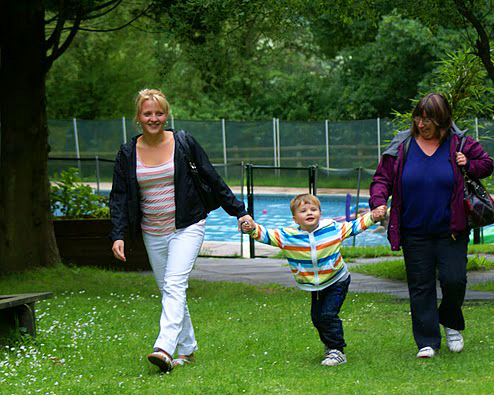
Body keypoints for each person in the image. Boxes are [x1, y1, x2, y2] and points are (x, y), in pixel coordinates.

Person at [109, 88, 252, 372]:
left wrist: (239, 211)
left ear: (166, 114)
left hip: (188, 225)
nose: (154, 118)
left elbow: (212, 176)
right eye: (148, 113)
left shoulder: (183, 142)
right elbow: (120, 196)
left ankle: (164, 347)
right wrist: (118, 234)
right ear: (138, 117)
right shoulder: (127, 152)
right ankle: (186, 350)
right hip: (152, 230)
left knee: (174, 285)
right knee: (168, 290)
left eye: (159, 113)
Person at [369, 93, 493, 359]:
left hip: (451, 229)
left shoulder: (459, 143)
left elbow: (486, 164)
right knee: (420, 286)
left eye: (428, 119)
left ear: (442, 120)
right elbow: (382, 178)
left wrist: (468, 164)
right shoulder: (402, 145)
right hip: (414, 231)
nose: (422, 124)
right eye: (418, 117)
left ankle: (450, 322)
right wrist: (378, 202)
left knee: (454, 280)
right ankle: (427, 342)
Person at [241, 194, 386, 366]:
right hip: (315, 285)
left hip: (337, 279)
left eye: (313, 209)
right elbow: (264, 234)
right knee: (317, 317)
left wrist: (373, 216)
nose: (309, 213)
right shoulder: (287, 236)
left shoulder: (332, 229)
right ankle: (330, 346)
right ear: (295, 218)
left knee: (327, 314)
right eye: (303, 211)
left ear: (320, 213)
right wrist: (250, 228)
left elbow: (355, 226)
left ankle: (337, 350)